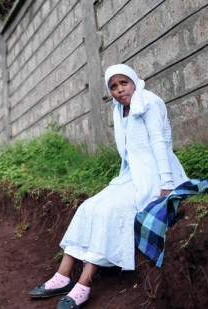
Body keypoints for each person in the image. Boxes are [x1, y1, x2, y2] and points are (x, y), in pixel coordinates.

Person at [28, 64, 189, 309]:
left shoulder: (149, 102)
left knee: (109, 212)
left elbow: (159, 144)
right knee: (88, 207)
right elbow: (128, 156)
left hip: (155, 177)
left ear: (134, 80)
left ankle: (83, 284)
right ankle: (62, 276)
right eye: (113, 86)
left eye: (123, 83)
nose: (119, 90)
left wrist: (166, 184)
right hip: (130, 176)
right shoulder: (118, 111)